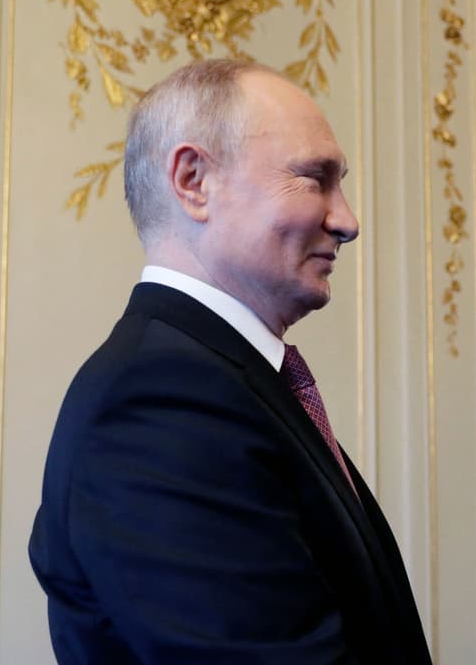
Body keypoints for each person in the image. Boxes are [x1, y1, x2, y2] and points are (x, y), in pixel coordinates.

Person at [28, 59, 431, 664]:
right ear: (194, 181)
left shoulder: (219, 381)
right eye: (314, 179)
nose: (347, 221)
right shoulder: (159, 402)